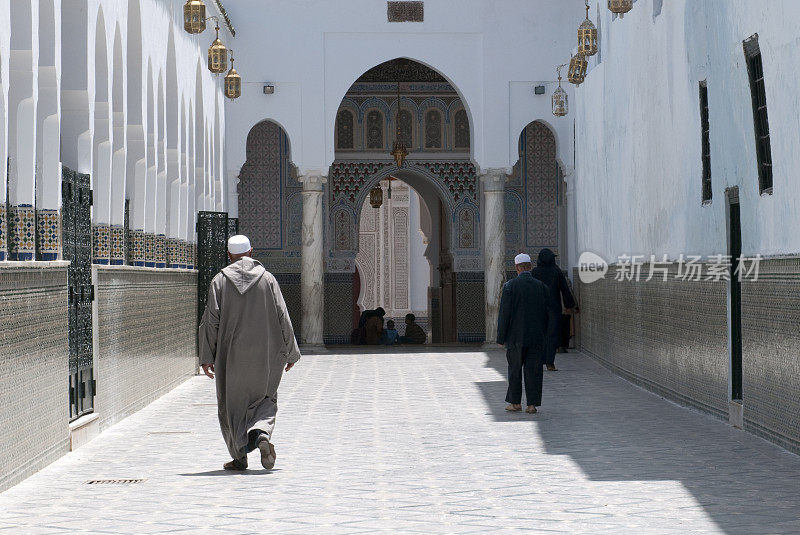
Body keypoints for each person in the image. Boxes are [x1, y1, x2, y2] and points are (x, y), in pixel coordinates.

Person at [199, 234, 301, 471]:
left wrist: (207, 357)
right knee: (264, 398)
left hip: (230, 357)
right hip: (265, 356)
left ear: (229, 255)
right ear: (251, 252)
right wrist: (291, 352)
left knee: (232, 406)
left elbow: (211, 322)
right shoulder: (268, 280)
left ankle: (239, 457)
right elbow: (282, 316)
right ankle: (262, 435)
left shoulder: (219, 281)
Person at [496, 253, 551, 414]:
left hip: (515, 337)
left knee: (514, 369)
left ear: (517, 268)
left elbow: (504, 314)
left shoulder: (510, 286)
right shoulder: (542, 287)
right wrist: (544, 335)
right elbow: (547, 314)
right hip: (536, 337)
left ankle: (515, 403)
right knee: (534, 370)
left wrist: (501, 337)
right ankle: (532, 405)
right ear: (530, 267)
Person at [531, 248, 576, 371]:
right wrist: (569, 304)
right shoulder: (556, 271)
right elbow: (564, 289)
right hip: (553, 308)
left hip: (538, 309)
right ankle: (550, 362)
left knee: (540, 335)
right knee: (552, 335)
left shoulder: (535, 272)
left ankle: (539, 361)